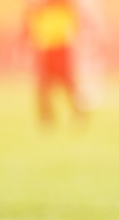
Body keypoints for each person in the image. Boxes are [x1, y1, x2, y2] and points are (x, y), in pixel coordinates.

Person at [20, 0, 90, 130]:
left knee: (68, 85)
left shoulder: (63, 4)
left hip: (60, 47)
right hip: (45, 49)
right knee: (43, 87)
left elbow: (74, 19)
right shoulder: (38, 6)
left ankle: (77, 113)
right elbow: (29, 23)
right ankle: (46, 118)